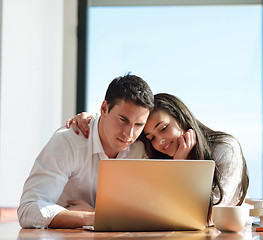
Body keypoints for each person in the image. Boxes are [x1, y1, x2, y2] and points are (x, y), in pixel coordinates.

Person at [68, 93, 249, 216]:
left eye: (164, 128)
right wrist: (89, 121)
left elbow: (213, 213)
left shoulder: (225, 148)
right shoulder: (154, 155)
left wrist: (180, 167)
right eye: (151, 137)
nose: (160, 142)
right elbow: (145, 209)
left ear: (181, 118)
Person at [18, 74, 154, 229]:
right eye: (123, 120)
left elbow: (150, 212)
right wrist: (91, 218)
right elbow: (28, 210)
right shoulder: (69, 141)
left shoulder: (142, 149)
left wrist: (97, 215)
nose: (129, 134)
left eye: (138, 125)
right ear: (104, 108)